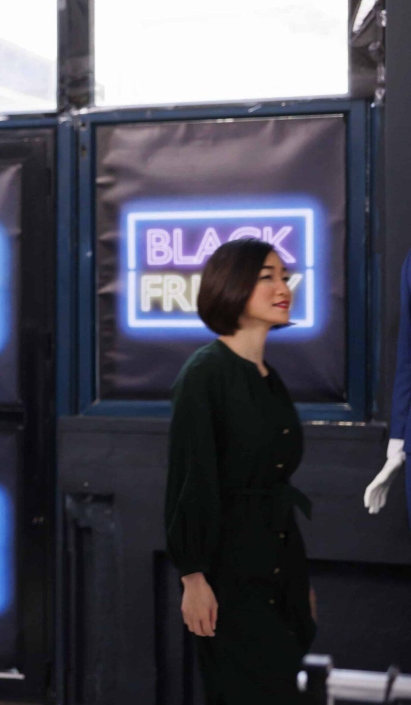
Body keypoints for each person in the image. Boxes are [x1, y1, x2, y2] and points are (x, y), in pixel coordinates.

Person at [165, 238, 317, 704]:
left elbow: (275, 484)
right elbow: (190, 481)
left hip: (280, 568)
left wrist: (300, 581)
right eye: (266, 276)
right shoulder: (204, 373)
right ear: (231, 285)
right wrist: (192, 577)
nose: (282, 286)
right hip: (229, 578)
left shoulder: (269, 376)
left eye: (284, 276)